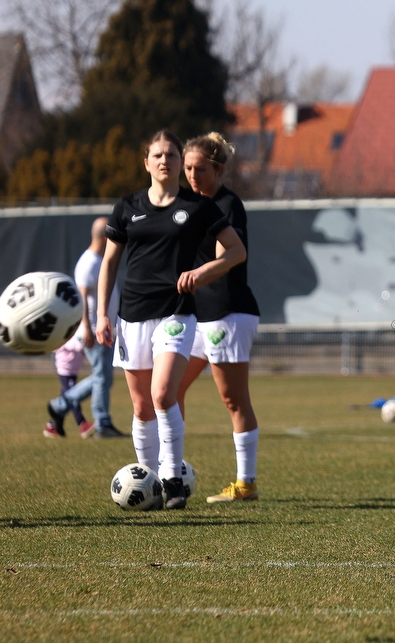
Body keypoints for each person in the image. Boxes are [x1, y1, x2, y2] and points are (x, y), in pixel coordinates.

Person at [96, 130, 246, 510]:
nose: (165, 161)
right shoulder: (127, 207)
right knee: (142, 407)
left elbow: (236, 251)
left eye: (172, 155)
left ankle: (172, 479)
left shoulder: (198, 207)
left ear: (180, 163)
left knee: (163, 395)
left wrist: (204, 272)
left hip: (176, 312)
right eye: (158, 155)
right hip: (131, 315)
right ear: (146, 162)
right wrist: (101, 314)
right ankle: (147, 481)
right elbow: (110, 262)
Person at [176, 132, 261, 503]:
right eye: (188, 168)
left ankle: (246, 484)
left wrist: (196, 274)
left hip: (227, 312)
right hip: (198, 315)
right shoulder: (187, 205)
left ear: (218, 169)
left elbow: (228, 254)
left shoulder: (227, 204)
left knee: (233, 400)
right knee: (169, 391)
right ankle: (171, 469)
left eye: (201, 169)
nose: (193, 175)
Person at [45, 217, 126, 439]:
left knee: (104, 377)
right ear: (105, 237)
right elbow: (80, 296)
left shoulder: (98, 259)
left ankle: (60, 406)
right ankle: (102, 423)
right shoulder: (90, 261)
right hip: (93, 329)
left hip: (101, 328)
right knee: (102, 376)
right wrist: (88, 328)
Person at [43, 333, 94, 438]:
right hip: (65, 371)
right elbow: (75, 345)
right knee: (72, 399)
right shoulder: (65, 334)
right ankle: (82, 424)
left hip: (73, 371)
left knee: (66, 398)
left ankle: (51, 426)